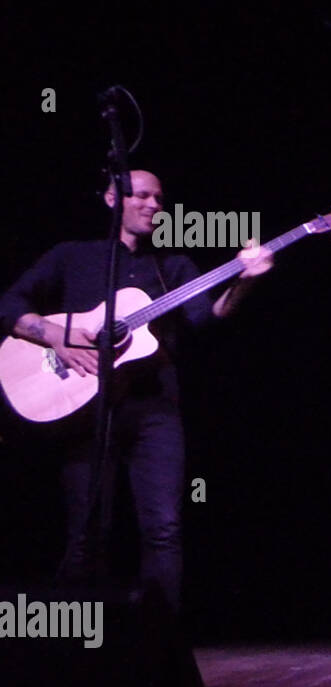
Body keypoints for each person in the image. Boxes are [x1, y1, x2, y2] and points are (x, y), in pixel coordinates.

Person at [0, 169, 273, 612]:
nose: (153, 205)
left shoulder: (173, 265)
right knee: (88, 530)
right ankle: (77, 647)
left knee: (163, 528)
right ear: (112, 199)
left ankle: (161, 647)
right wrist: (51, 332)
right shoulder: (73, 256)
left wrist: (247, 279)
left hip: (154, 410)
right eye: (142, 196)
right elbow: (9, 304)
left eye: (160, 199)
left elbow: (208, 318)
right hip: (85, 410)